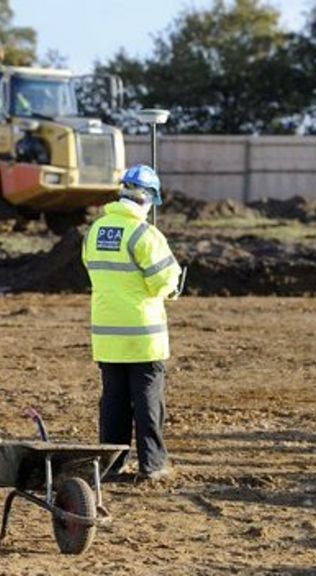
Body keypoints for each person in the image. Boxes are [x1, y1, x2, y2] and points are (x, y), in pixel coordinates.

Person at [81, 164, 182, 481]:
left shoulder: (95, 232)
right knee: (149, 403)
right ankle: (152, 464)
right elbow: (164, 282)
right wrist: (174, 287)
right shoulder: (145, 234)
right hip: (143, 337)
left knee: (113, 402)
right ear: (148, 199)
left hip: (107, 337)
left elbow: (93, 269)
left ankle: (111, 464)